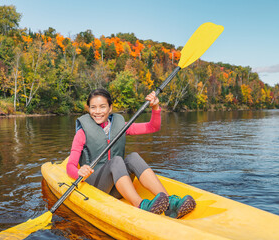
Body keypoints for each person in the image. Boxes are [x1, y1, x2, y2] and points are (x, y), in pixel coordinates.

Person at [66, 88, 196, 218]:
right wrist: (79, 172)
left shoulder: (120, 125)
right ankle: (140, 205)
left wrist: (155, 107)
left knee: (133, 157)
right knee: (117, 160)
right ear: (88, 109)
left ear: (110, 108)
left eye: (102, 107)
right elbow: (70, 165)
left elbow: (153, 127)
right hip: (95, 187)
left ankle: (169, 204)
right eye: (93, 107)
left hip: (118, 188)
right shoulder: (82, 133)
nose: (98, 111)